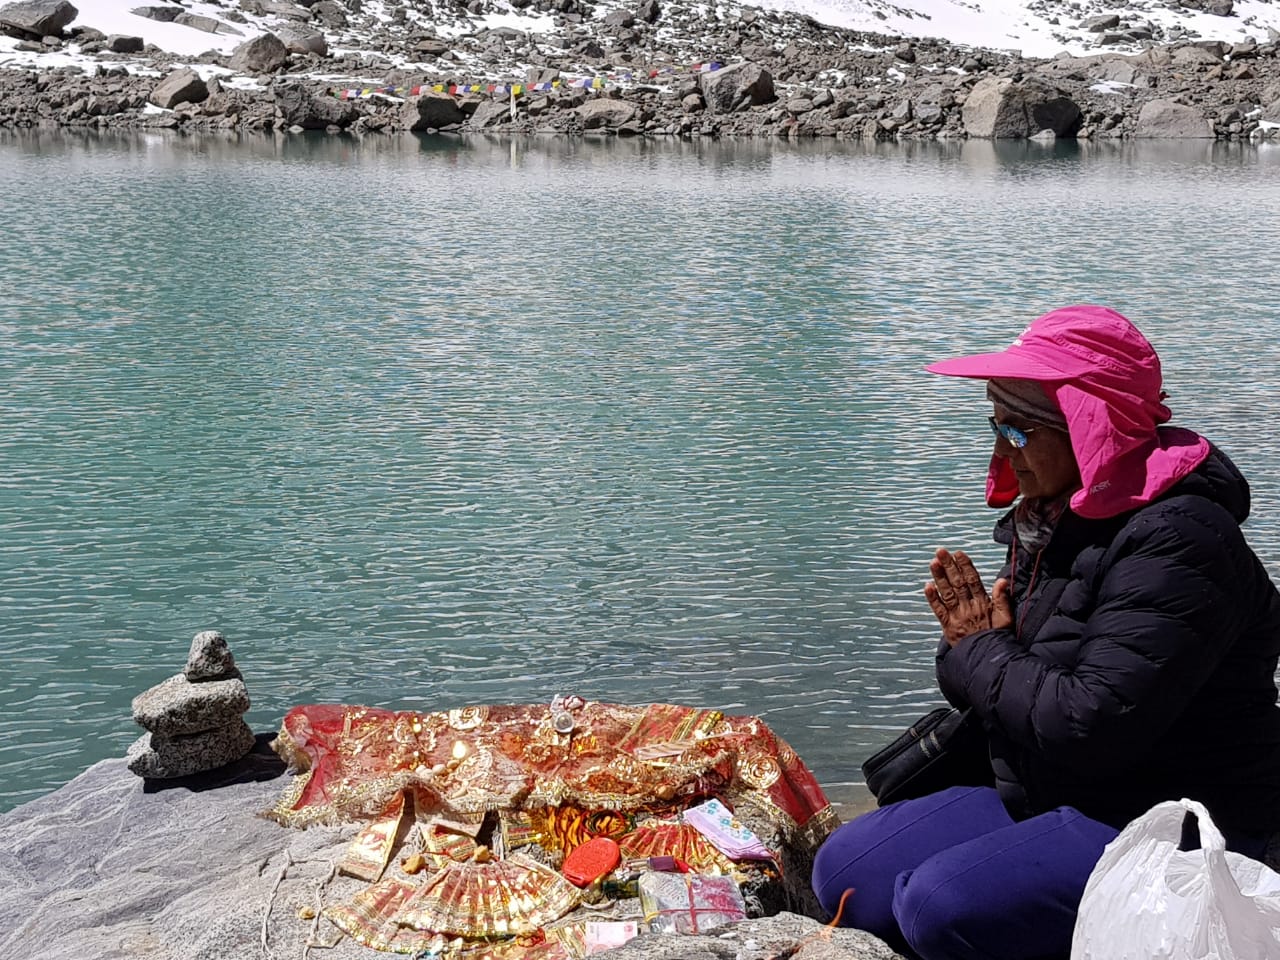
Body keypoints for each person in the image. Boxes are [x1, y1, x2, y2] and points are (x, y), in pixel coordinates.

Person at [810, 305, 1280, 960]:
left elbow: (1088, 725)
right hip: (1055, 784)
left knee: (941, 904)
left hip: (1168, 815)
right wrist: (973, 650)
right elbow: (981, 673)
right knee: (849, 875)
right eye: (996, 425)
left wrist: (979, 649)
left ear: (1093, 429)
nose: (1002, 450)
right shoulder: (1055, 519)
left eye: (1019, 430)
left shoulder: (1181, 541)